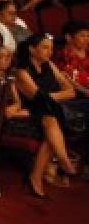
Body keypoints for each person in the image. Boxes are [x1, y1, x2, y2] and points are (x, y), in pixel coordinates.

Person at [0, 45, 52, 197]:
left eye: (8, 56)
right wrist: (15, 113)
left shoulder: (8, 76)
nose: (7, 60)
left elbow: (17, 102)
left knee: (52, 124)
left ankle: (42, 171)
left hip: (12, 115)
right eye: (2, 57)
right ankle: (43, 172)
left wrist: (15, 111)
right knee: (50, 129)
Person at [15, 33, 80, 190]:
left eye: (51, 48)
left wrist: (48, 96)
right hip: (31, 111)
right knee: (51, 122)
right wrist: (56, 96)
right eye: (45, 47)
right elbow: (36, 98)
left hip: (51, 110)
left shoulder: (50, 65)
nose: (50, 51)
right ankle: (63, 161)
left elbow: (71, 91)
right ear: (32, 49)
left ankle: (37, 176)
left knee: (51, 124)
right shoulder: (22, 71)